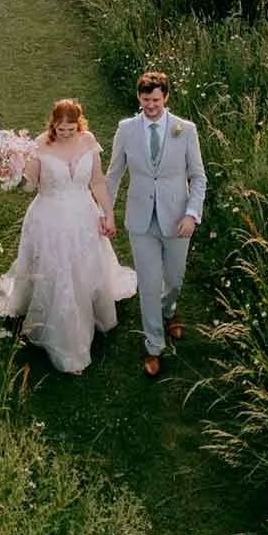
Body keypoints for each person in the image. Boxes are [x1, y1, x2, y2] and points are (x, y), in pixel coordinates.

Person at [0, 98, 138, 374]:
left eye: (71, 128)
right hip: (50, 219)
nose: (66, 133)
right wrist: (13, 175)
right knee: (60, 275)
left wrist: (107, 213)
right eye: (61, 129)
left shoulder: (88, 140)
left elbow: (97, 181)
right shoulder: (39, 145)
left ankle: (89, 310)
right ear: (53, 125)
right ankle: (69, 344)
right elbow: (30, 187)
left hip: (84, 215)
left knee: (85, 269)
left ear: (80, 124)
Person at [104, 69, 207, 378]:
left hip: (178, 219)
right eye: (146, 100)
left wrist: (192, 214)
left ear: (166, 98)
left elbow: (198, 176)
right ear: (139, 98)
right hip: (140, 219)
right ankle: (153, 345)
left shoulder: (185, 129)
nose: (151, 106)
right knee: (148, 284)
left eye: (157, 100)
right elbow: (114, 174)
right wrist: (104, 212)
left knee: (174, 278)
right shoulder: (126, 129)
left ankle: (169, 310)